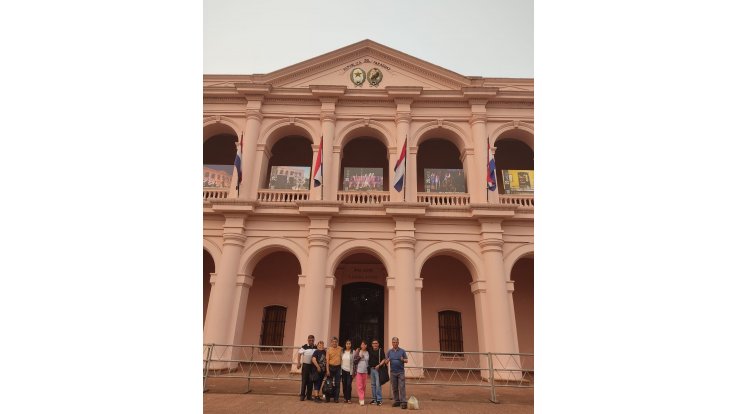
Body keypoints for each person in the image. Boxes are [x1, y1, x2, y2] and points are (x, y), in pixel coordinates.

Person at [385, 337, 409, 409]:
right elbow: (386, 362)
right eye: (393, 342)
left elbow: (406, 360)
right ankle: (397, 401)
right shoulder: (389, 351)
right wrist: (388, 360)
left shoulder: (402, 351)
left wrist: (403, 360)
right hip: (393, 372)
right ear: (392, 343)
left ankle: (404, 402)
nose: (395, 343)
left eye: (396, 342)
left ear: (398, 343)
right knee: (394, 388)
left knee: (402, 387)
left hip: (401, 372)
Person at [367, 339, 388, 406]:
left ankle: (379, 400)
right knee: (373, 385)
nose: (375, 344)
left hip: (378, 370)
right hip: (372, 369)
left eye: (376, 343)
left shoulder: (380, 350)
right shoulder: (370, 350)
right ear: (372, 344)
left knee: (378, 385)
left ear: (378, 344)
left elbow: (384, 359)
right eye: (373, 343)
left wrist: (379, 365)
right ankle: (374, 399)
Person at [297, 334, 317, 401]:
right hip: (306, 365)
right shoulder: (304, 347)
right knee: (304, 381)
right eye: (310, 340)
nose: (311, 341)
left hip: (313, 366)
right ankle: (302, 395)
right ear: (308, 340)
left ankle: (309, 396)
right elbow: (299, 354)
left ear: (314, 340)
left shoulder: (315, 347)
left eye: (312, 340)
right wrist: (298, 363)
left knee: (311, 381)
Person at [325, 336, 342, 403]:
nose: (334, 343)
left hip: (338, 368)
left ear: (337, 342)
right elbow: (327, 361)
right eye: (333, 342)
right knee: (328, 383)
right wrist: (327, 370)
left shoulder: (340, 349)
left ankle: (336, 398)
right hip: (330, 368)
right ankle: (327, 398)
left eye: (335, 342)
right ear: (331, 342)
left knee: (337, 384)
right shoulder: (328, 350)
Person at [352, 340, 370, 406]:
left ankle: (362, 397)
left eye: (364, 344)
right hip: (358, 371)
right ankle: (361, 398)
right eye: (362, 344)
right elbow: (355, 360)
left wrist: (363, 357)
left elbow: (367, 360)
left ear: (366, 346)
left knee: (364, 385)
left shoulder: (367, 352)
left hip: (365, 371)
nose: (362, 345)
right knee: (359, 385)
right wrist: (360, 357)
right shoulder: (358, 351)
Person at [340, 339, 355, 403]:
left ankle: (349, 398)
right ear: (345, 345)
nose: (348, 345)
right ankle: (345, 398)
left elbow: (355, 362)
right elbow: (341, 360)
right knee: (344, 384)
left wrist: (354, 371)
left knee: (349, 384)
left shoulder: (353, 352)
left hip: (350, 371)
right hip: (343, 370)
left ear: (351, 345)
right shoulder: (342, 351)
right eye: (347, 344)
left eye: (349, 344)